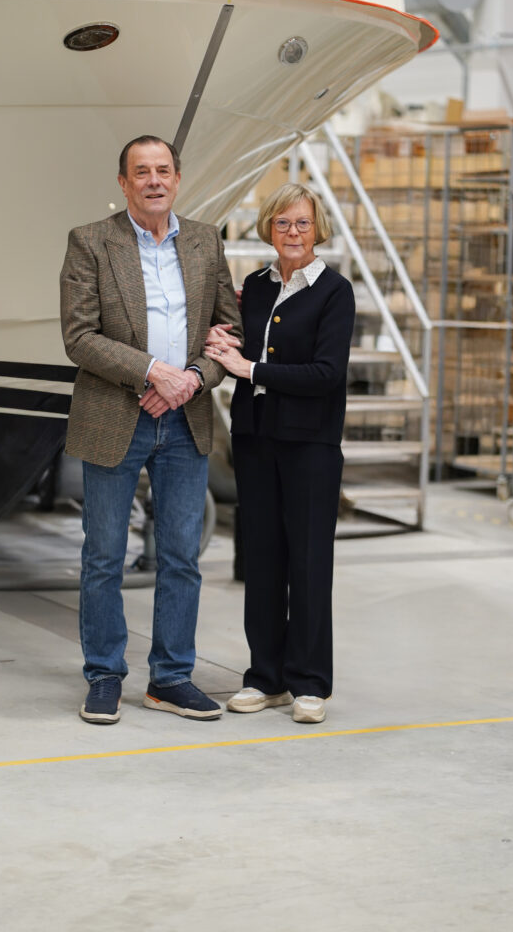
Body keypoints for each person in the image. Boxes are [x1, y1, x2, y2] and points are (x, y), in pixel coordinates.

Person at [60, 135, 241, 724]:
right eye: (142, 172)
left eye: (164, 170)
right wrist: (153, 372)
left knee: (182, 556)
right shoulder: (91, 242)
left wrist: (192, 377)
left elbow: (227, 331)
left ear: (178, 178)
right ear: (123, 182)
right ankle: (105, 676)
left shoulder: (206, 241)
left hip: (185, 418)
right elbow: (79, 337)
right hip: (116, 415)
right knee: (104, 556)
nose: (154, 181)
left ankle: (170, 678)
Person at [204, 183, 355, 724]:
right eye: (284, 223)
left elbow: (327, 373)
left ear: (318, 230)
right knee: (263, 561)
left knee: (309, 562)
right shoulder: (256, 286)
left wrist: (250, 370)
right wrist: (226, 344)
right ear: (269, 227)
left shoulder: (335, 291)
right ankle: (265, 677)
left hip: (310, 445)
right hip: (256, 439)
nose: (293, 233)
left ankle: (309, 682)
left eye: (303, 224)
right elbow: (247, 346)